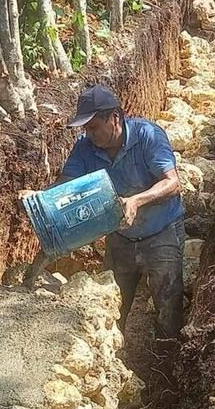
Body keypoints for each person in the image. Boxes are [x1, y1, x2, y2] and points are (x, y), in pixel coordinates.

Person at [60, 84, 184, 341]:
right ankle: (116, 360)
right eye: (86, 128)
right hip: (119, 237)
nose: (88, 134)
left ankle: (166, 362)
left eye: (93, 127)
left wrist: (137, 201)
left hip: (161, 232)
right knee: (114, 305)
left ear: (115, 117)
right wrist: (38, 199)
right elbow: (66, 186)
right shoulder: (85, 147)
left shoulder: (148, 135)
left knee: (168, 304)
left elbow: (172, 182)